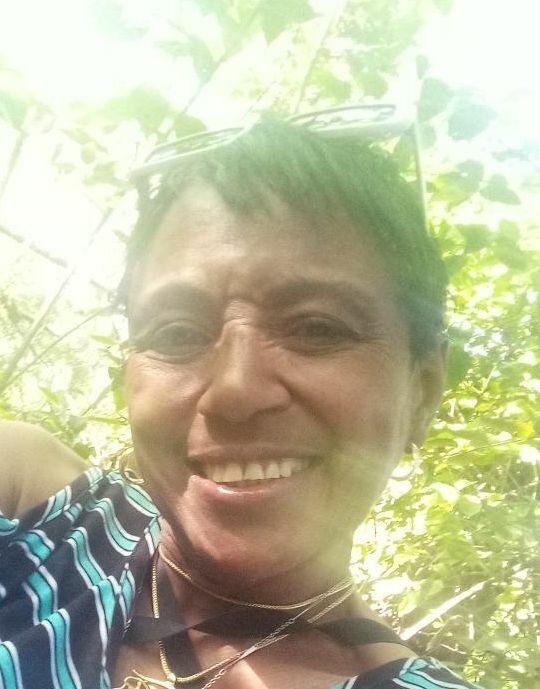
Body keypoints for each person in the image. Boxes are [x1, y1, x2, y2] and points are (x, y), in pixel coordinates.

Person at [0, 111, 483, 689]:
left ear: (422, 390)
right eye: (176, 334)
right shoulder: (35, 517)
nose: (235, 390)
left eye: (317, 328)